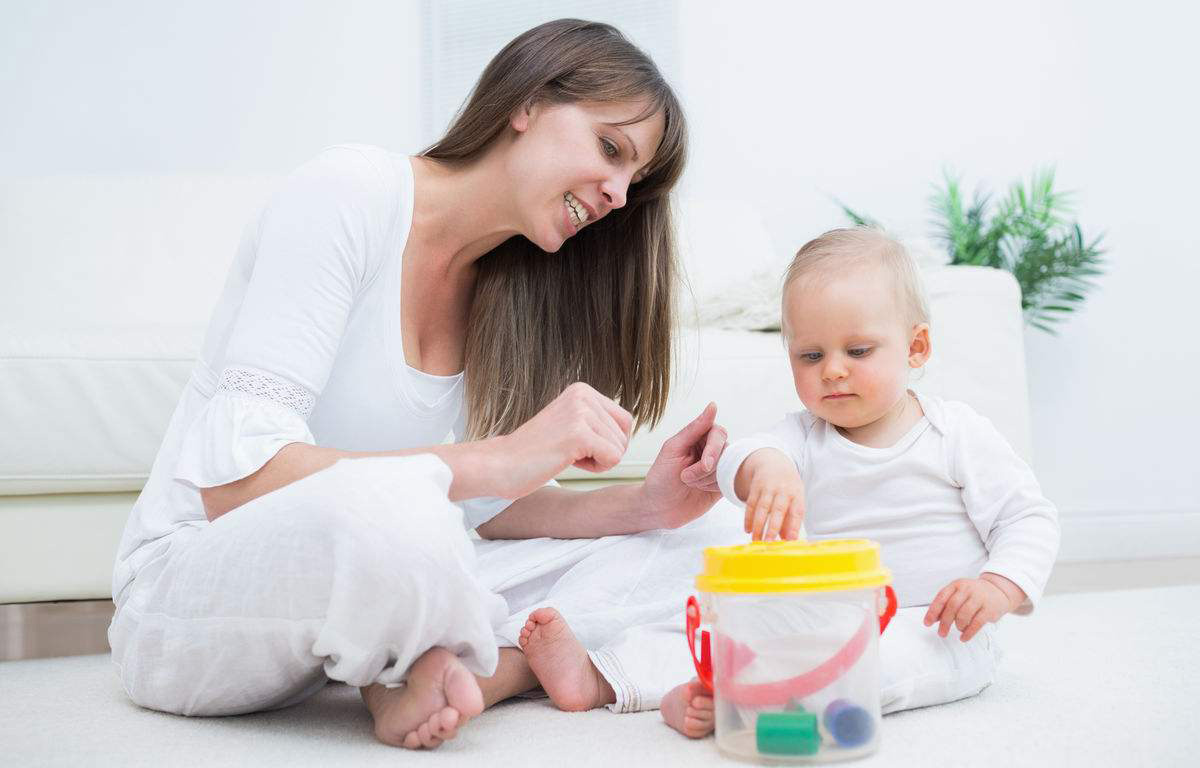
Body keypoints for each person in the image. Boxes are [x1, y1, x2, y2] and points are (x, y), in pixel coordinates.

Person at [108, 19, 727, 751]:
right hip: (193, 595)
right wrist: (500, 457)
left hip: (376, 583)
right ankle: (438, 652)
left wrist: (645, 506)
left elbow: (482, 510)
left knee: (720, 539)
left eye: (634, 181)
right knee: (407, 509)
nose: (618, 195)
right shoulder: (349, 193)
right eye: (610, 149)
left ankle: (476, 669)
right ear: (527, 103)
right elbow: (236, 487)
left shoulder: (507, 285)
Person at [511, 228, 1060, 739]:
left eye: (858, 351)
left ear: (915, 348)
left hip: (936, 622)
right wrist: (767, 470)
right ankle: (603, 677)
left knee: (883, 662)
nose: (833, 370)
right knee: (716, 623)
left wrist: (997, 587)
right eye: (810, 355)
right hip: (819, 614)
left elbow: (1027, 518)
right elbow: (740, 457)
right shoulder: (802, 437)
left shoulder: (956, 433)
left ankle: (751, 705)